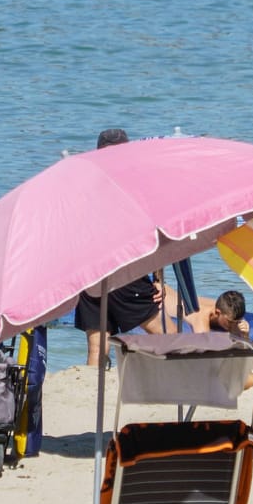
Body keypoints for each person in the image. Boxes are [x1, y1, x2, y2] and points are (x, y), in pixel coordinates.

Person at [76, 128, 171, 364]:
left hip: (89, 274)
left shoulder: (83, 187)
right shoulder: (134, 186)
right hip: (123, 271)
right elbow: (153, 235)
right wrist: (158, 277)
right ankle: (192, 378)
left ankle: (91, 395)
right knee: (168, 334)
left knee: (97, 346)